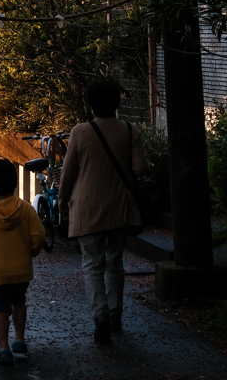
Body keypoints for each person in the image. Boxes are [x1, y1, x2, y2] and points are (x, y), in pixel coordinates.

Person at [59, 79, 148, 343]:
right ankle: (115, 313)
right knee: (114, 261)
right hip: (119, 207)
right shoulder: (129, 130)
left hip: (87, 208)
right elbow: (141, 168)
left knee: (92, 264)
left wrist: (62, 200)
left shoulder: (80, 132)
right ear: (117, 104)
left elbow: (68, 173)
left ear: (91, 104)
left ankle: (101, 317)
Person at [0, 159, 45, 366]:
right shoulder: (26, 209)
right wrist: (30, 253)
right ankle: (19, 340)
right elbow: (39, 235)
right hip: (20, 269)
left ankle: (4, 348)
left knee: (0, 308)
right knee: (19, 302)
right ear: (15, 184)